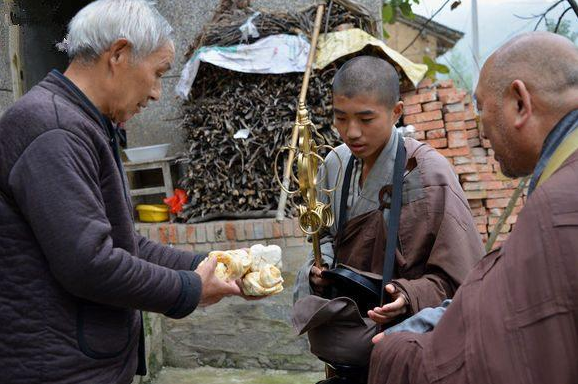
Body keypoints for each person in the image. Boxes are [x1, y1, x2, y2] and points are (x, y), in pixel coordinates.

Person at [0, 1, 243, 383]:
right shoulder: (54, 130)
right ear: (119, 54)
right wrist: (190, 289)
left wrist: (210, 262)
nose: (157, 93)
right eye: (158, 73)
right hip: (58, 369)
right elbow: (90, 263)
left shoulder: (81, 122)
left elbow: (122, 243)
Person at [368, 31, 578, 384]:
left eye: (481, 108)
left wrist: (394, 349)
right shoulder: (336, 167)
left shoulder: (557, 207)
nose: (481, 130)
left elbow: (502, 351)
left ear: (520, 103)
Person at [292, 56, 484, 381]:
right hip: (345, 338)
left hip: (405, 347)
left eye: (366, 119)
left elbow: (463, 280)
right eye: (341, 118)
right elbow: (324, 236)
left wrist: (409, 296)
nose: (351, 132)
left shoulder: (426, 173)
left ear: (396, 112)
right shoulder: (335, 163)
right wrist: (318, 268)